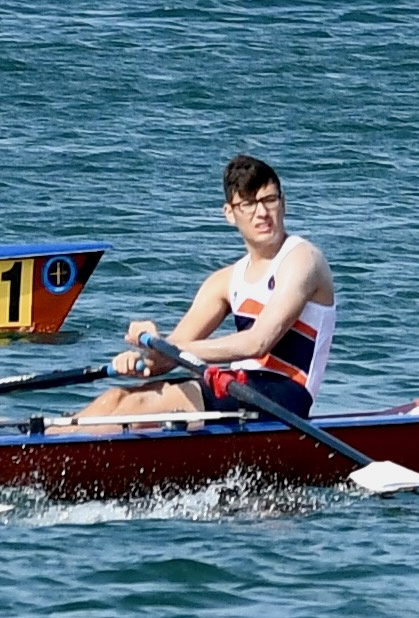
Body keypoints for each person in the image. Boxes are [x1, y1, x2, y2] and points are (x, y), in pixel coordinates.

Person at [71, 155, 336, 423]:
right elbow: (165, 361)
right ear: (230, 214)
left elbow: (258, 342)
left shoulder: (303, 260)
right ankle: (39, 451)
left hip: (286, 397)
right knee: (114, 399)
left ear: (284, 203)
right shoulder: (223, 281)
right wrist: (141, 356)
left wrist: (168, 346)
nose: (262, 213)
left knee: (139, 406)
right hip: (238, 386)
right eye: (248, 204)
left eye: (270, 200)